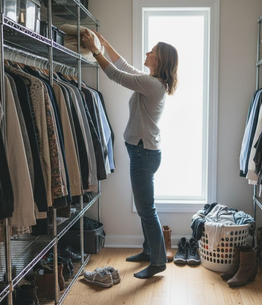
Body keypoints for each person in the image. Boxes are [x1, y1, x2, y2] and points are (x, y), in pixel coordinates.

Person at [81, 30, 178, 279]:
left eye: (152, 51)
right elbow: (122, 65)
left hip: (143, 154)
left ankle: (157, 262)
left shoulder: (151, 84)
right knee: (146, 207)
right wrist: (105, 44)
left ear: (161, 59)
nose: (147, 53)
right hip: (144, 152)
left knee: (147, 210)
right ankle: (149, 251)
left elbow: (114, 74)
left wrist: (95, 51)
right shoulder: (152, 81)